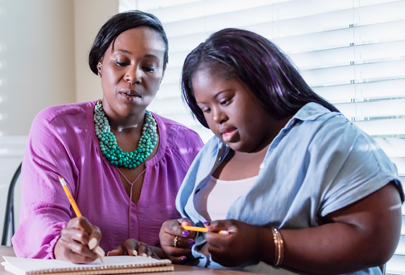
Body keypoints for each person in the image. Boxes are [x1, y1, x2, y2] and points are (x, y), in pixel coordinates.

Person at [159, 28, 404, 274]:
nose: (217, 118)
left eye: (225, 101)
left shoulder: (329, 138)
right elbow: (201, 229)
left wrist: (263, 244)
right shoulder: (215, 151)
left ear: (263, 83)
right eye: (205, 109)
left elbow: (375, 241)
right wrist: (178, 238)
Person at [12, 11, 203, 263]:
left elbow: (201, 234)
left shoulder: (188, 145)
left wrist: (168, 248)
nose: (134, 76)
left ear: (162, 75)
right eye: (121, 62)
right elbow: (41, 215)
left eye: (148, 67)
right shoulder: (57, 129)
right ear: (101, 65)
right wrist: (61, 242)